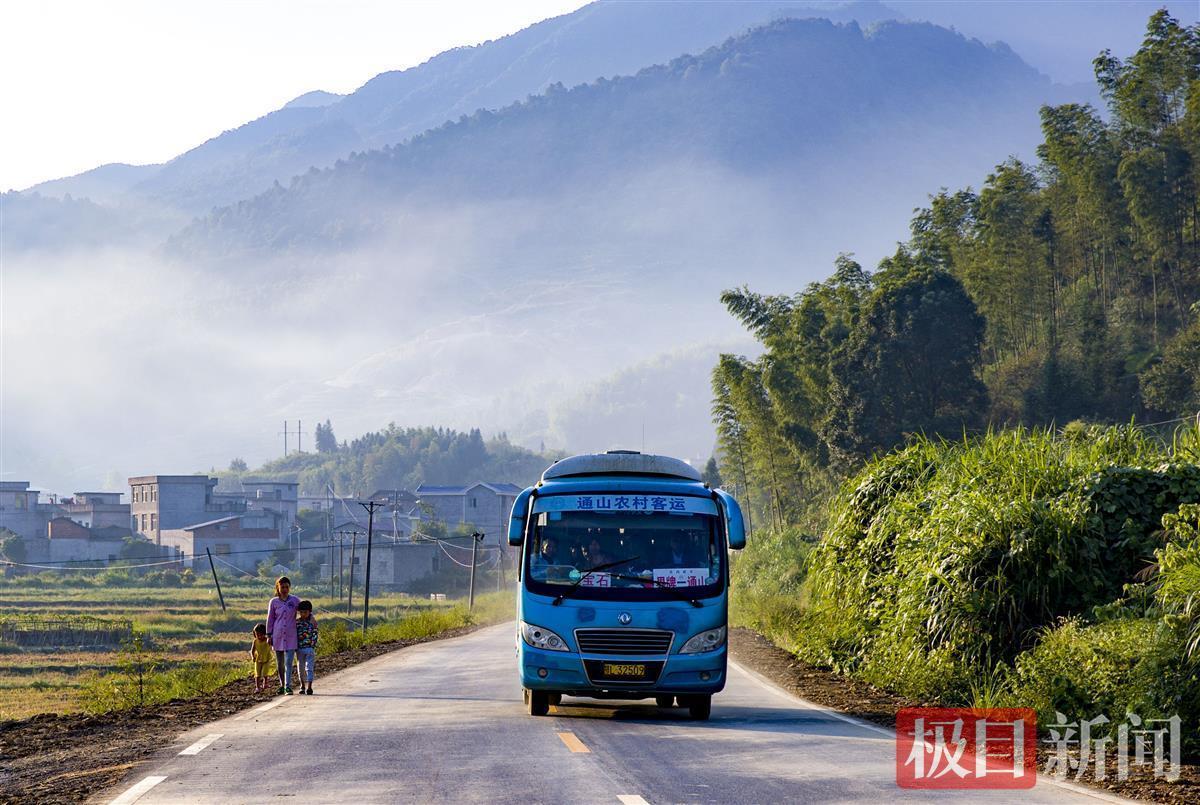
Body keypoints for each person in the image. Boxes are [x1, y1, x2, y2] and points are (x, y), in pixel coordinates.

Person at [266, 575, 300, 695]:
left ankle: (288, 685)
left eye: (286, 587)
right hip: (278, 634)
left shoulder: (295, 600)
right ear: (278, 588)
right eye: (282, 587)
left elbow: (304, 612)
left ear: (289, 587)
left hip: (291, 634)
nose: (284, 589)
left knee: (289, 662)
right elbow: (270, 618)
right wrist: (269, 635)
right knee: (280, 662)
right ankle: (281, 684)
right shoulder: (274, 602)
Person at [294, 600, 319, 695]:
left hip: (309, 648)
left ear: (310, 612)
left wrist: (312, 645)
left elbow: (315, 634)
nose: (303, 614)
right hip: (299, 649)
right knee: (300, 668)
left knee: (309, 668)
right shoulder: (297, 623)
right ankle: (302, 686)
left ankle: (309, 687)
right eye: (301, 612)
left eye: (305, 612)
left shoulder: (312, 623)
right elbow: (294, 635)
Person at [249, 623, 272, 692]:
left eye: (261, 635)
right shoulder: (255, 641)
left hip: (266, 659)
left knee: (265, 672)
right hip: (258, 659)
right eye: (257, 635)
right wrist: (253, 657)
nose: (259, 637)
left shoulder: (267, 640)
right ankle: (257, 687)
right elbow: (252, 650)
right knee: (257, 674)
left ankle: (265, 683)